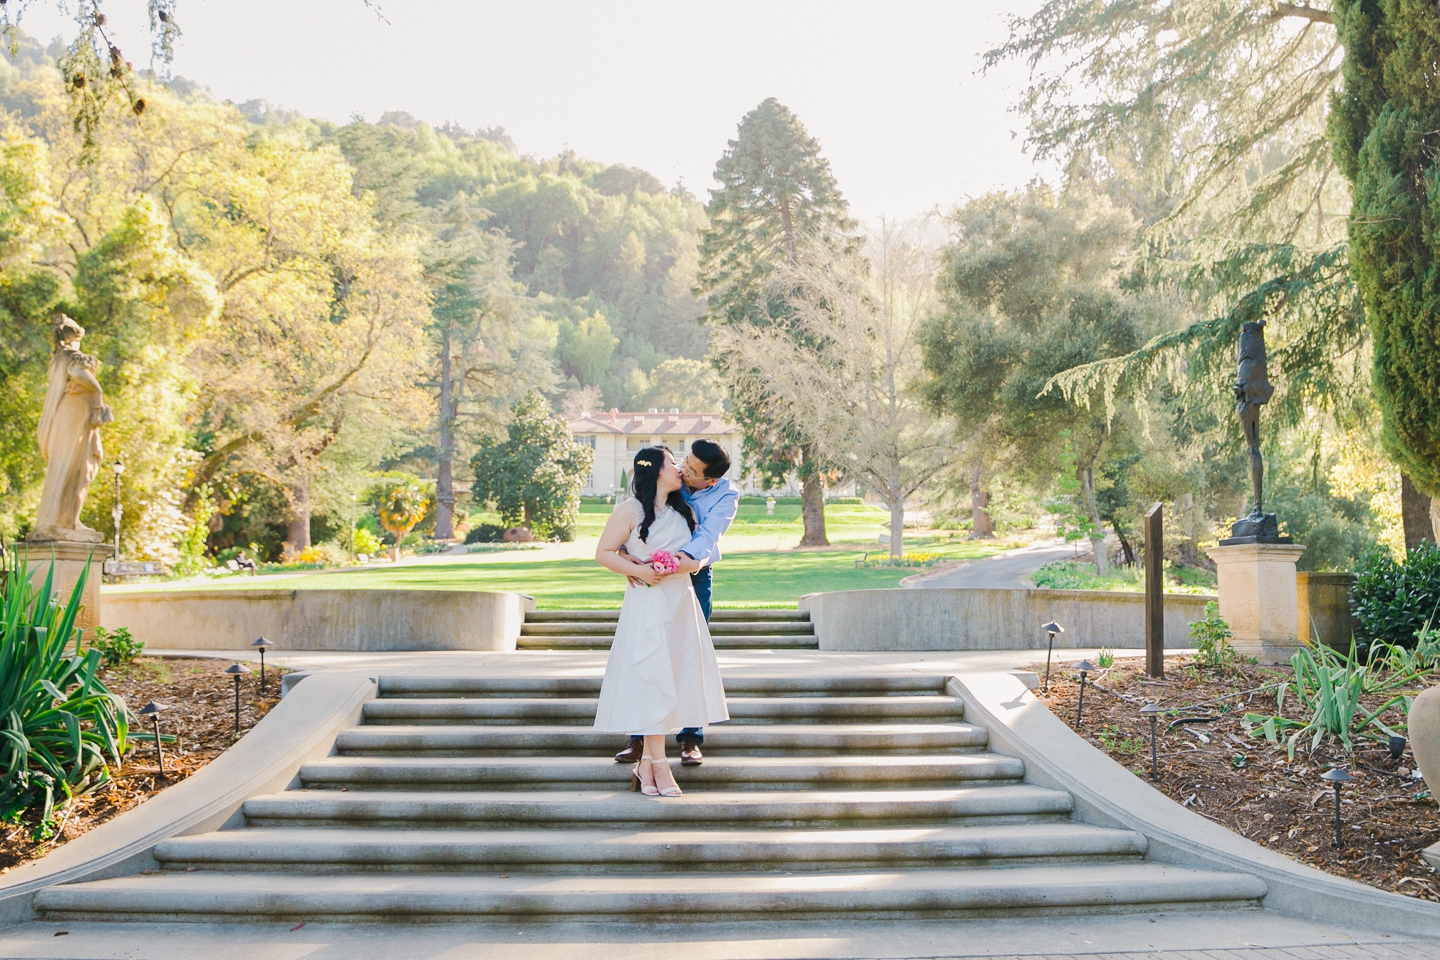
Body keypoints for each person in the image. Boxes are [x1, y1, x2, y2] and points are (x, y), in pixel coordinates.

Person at [592, 447, 729, 797]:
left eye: (686, 465)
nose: (680, 468)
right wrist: (638, 569)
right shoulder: (630, 509)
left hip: (680, 602)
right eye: (673, 463)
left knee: (677, 676)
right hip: (647, 603)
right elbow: (604, 552)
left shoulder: (685, 508)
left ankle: (650, 763)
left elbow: (705, 549)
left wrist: (679, 565)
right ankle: (658, 764)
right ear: (655, 471)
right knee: (652, 677)